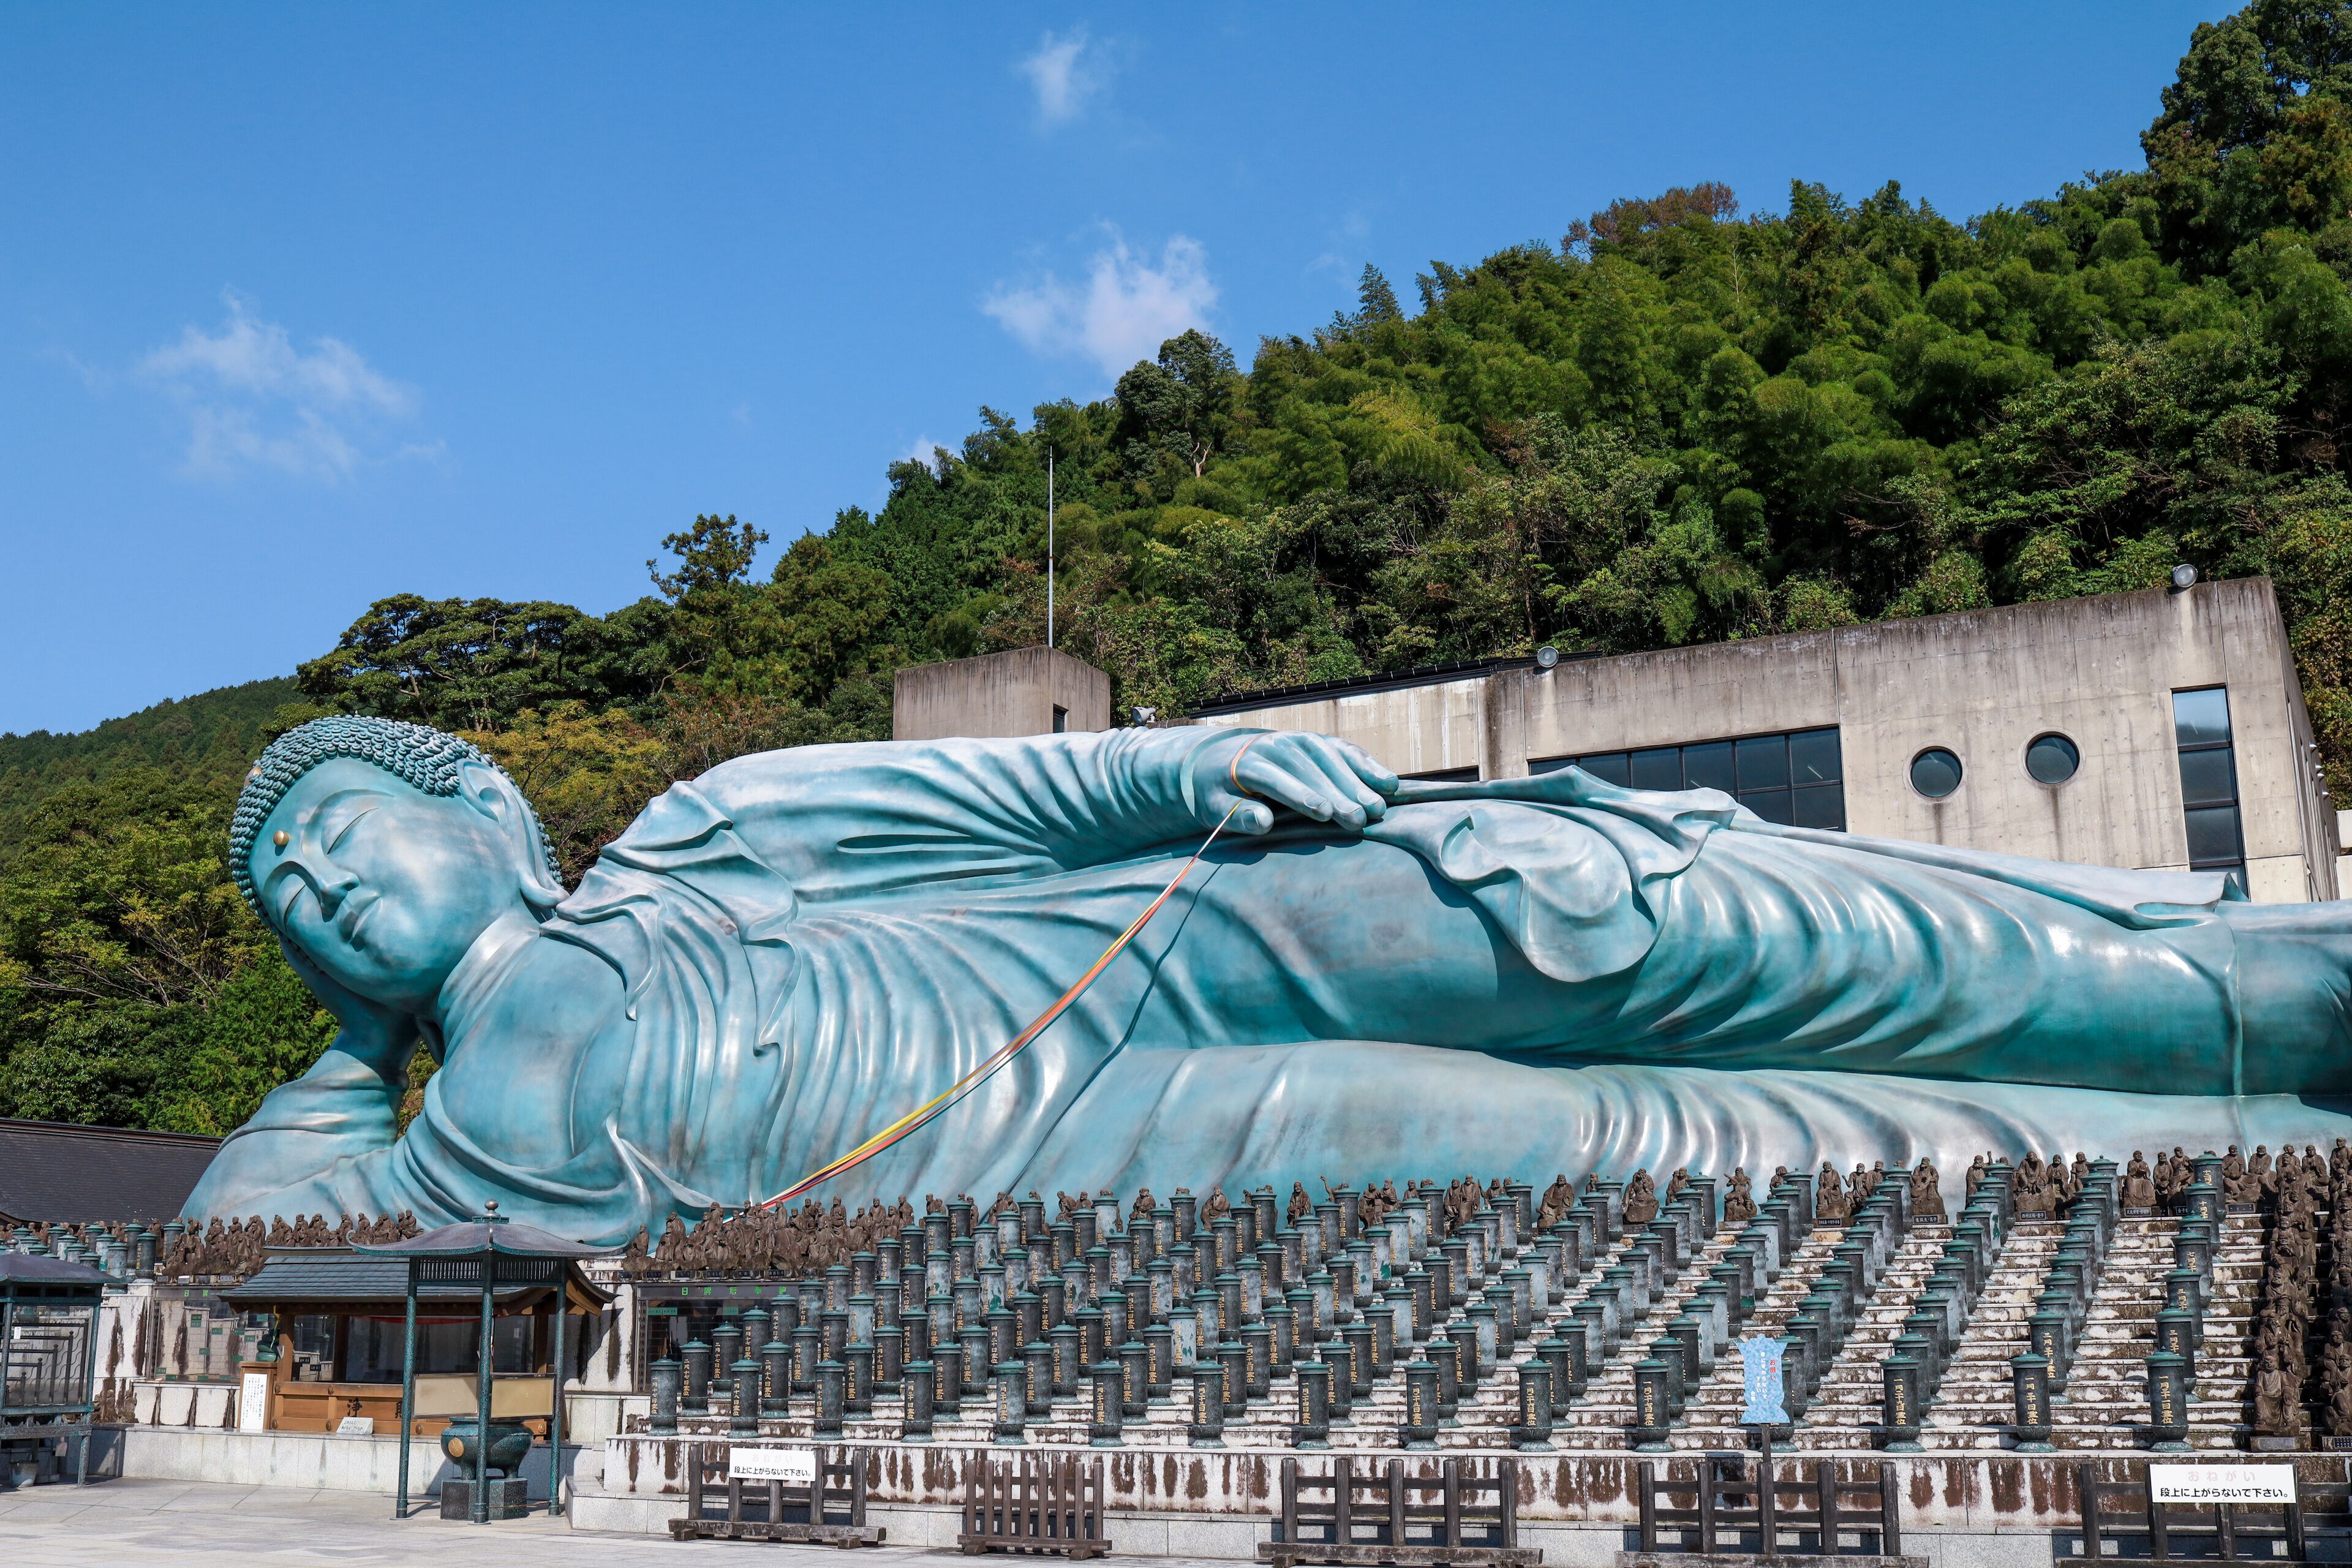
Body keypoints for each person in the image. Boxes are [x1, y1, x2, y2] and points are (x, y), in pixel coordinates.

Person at [189, 714, 2352, 1242]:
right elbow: (222, 1250)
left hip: (1142, 940)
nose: (313, 883)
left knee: (1609, 916)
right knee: (1632, 1149)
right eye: (278, 887)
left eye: (330, 831)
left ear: (483, 797)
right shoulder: (417, 1145)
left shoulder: (709, 838)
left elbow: (1019, 798)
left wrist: (1191, 765)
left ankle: (2255, 996)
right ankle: (2237, 1143)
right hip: (1106, 1148)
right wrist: (364, 1048)